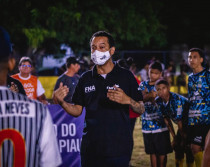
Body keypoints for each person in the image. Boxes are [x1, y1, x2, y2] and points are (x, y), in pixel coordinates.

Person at [53, 30, 145, 167]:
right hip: (91, 150)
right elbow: (77, 110)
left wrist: (128, 100)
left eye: (102, 47)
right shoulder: (85, 78)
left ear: (112, 50)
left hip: (118, 149)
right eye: (93, 48)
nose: (97, 51)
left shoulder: (126, 76)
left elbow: (141, 108)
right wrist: (62, 102)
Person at [0, 26, 61, 167]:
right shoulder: (39, 112)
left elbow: (42, 96)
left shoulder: (32, 81)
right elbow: (50, 164)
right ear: (12, 63)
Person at [139, 61, 172, 167]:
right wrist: (150, 96)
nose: (152, 75)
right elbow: (141, 99)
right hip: (147, 125)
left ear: (160, 74)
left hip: (161, 126)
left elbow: (167, 100)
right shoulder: (143, 84)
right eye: (151, 72)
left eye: (156, 73)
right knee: (152, 153)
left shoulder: (162, 86)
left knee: (162, 153)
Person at [155, 79, 194, 167]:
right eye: (158, 89)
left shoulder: (176, 100)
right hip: (182, 124)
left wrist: (182, 139)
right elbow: (167, 120)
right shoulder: (158, 101)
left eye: (163, 88)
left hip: (192, 122)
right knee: (178, 147)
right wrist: (174, 137)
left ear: (168, 88)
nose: (161, 91)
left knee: (187, 147)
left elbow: (180, 122)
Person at [187, 48, 210, 167]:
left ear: (201, 59)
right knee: (195, 149)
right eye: (189, 57)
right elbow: (191, 99)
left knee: (203, 149)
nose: (191, 59)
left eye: (194, 57)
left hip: (207, 119)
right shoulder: (190, 78)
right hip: (194, 120)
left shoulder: (207, 75)